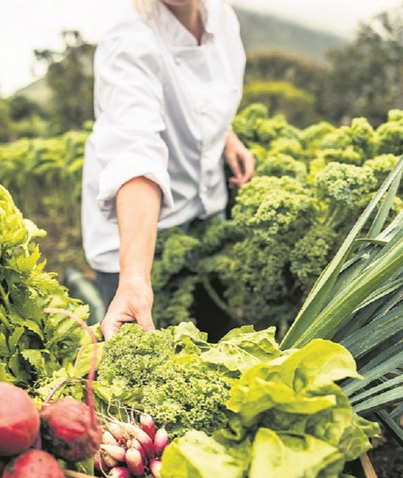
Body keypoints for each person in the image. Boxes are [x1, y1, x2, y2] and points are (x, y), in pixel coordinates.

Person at [81, 0, 255, 340]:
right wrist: (133, 278)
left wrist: (226, 136)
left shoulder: (221, 18)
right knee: (152, 367)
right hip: (135, 236)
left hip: (204, 211)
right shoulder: (129, 39)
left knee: (215, 332)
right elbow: (135, 151)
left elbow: (204, 97)